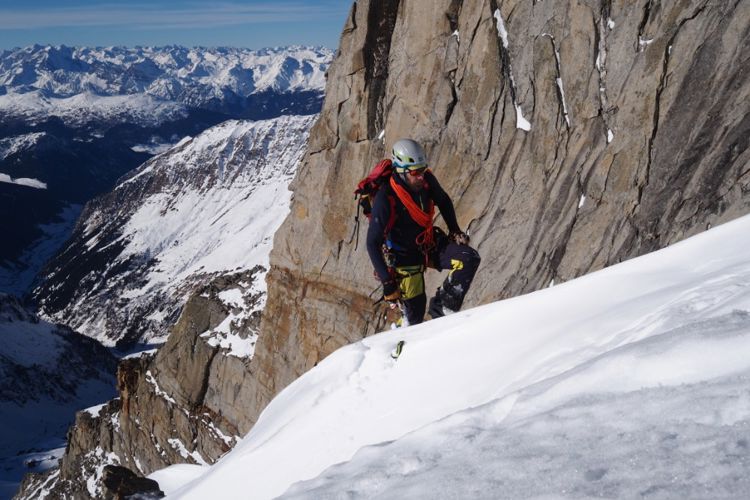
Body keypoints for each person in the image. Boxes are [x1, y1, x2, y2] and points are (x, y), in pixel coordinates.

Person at [366, 138, 481, 325]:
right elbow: (372, 243)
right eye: (415, 172)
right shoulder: (386, 198)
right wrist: (388, 283)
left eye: (422, 169)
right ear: (400, 171)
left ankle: (442, 311)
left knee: (468, 258)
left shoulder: (426, 180)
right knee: (414, 321)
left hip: (428, 244)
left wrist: (454, 230)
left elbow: (443, 201)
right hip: (404, 259)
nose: (421, 176)